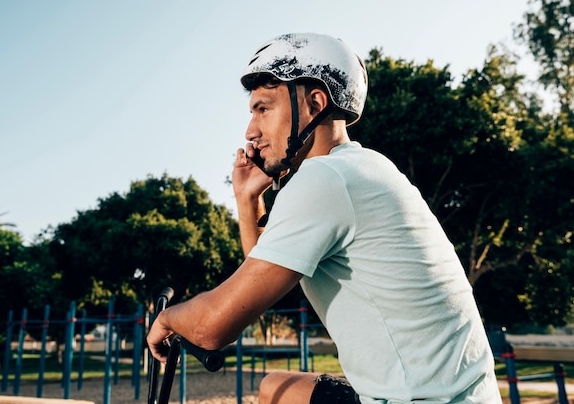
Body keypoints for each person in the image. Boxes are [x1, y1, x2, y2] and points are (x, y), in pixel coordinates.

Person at [147, 33, 502, 404]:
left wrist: (167, 319)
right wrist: (247, 197)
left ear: (315, 103)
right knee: (275, 388)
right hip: (462, 395)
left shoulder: (325, 179)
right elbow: (259, 272)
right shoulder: (361, 168)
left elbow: (211, 328)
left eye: (263, 109)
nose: (250, 131)